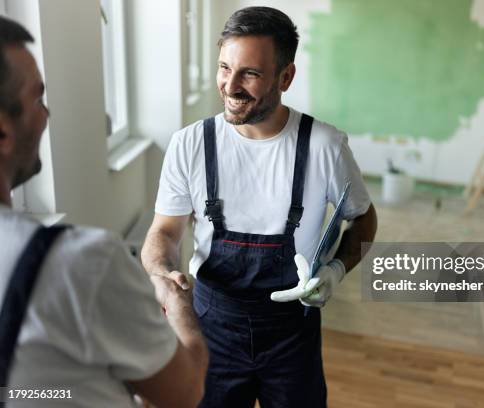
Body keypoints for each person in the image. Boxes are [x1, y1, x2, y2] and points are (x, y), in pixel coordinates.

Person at [142, 6, 377, 408]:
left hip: (291, 334)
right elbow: (164, 232)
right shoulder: (190, 144)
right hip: (211, 327)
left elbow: (364, 219)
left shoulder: (324, 146)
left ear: (285, 77)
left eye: (249, 73)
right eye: (223, 68)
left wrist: (336, 271)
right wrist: (162, 272)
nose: (230, 86)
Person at [0, 16, 207, 407]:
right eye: (37, 99)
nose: (46, 116)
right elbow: (185, 391)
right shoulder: (78, 263)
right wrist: (179, 306)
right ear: (3, 131)